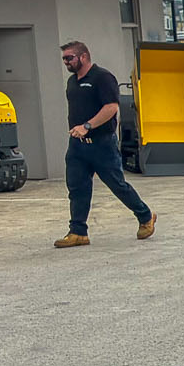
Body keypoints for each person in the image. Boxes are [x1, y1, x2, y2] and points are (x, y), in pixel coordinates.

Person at [56, 40, 155, 249]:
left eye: (69, 58)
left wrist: (88, 126)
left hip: (102, 144)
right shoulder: (72, 82)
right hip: (77, 145)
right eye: (64, 58)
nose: (66, 62)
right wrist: (78, 131)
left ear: (83, 57)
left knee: (117, 184)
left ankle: (145, 216)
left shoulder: (102, 77)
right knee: (77, 188)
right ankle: (78, 232)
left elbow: (111, 107)